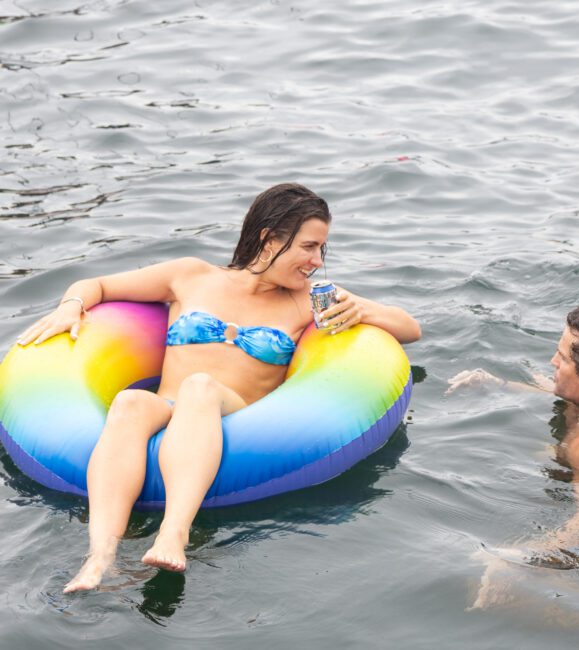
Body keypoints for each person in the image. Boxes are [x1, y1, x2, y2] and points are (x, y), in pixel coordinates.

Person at [16, 183, 421, 593]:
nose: (317, 261)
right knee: (130, 401)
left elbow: (410, 328)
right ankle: (100, 558)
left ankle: (174, 533)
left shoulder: (307, 302)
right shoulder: (190, 276)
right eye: (308, 247)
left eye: (322, 250)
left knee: (199, 387)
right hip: (167, 406)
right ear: (269, 238)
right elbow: (96, 286)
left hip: (234, 411)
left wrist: (363, 308)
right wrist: (71, 306)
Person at [448, 304, 579, 577]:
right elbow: (566, 395)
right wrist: (496, 384)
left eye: (563, 358)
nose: (553, 361)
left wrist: (520, 558)